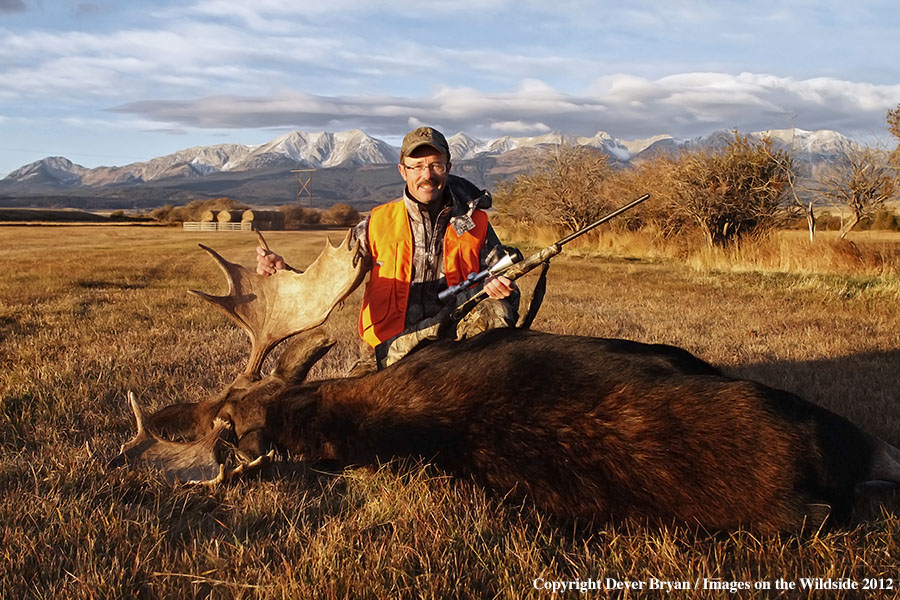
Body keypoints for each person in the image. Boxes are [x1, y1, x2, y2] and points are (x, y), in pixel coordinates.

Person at [257, 126, 519, 368]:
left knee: (495, 309)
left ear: (448, 167)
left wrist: (499, 287)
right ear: (402, 170)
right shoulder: (375, 225)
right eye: (416, 167)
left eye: (434, 165)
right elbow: (328, 285)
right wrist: (284, 270)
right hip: (389, 348)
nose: (426, 176)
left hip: (453, 347)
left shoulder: (475, 223)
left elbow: (505, 279)